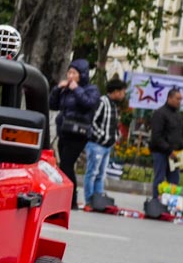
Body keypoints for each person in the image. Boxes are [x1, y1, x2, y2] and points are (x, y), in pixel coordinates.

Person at [49, 59, 100, 208]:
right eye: (69, 72)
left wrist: (76, 88)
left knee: (66, 164)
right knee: (65, 166)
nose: (70, 75)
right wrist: (58, 89)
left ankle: (70, 199)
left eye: (74, 73)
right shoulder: (66, 89)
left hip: (78, 134)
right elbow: (53, 104)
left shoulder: (91, 89)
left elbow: (89, 104)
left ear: (82, 75)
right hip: (64, 131)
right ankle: (68, 199)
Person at [84, 78, 127, 206]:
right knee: (92, 173)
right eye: (123, 92)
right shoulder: (102, 102)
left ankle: (98, 201)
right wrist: (102, 137)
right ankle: (89, 200)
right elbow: (92, 121)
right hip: (97, 145)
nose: (124, 95)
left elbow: (112, 124)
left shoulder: (113, 105)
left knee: (101, 175)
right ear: (116, 91)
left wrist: (115, 137)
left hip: (107, 146)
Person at [148, 88, 183, 198]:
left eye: (180, 99)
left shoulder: (177, 115)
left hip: (174, 154)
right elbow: (156, 137)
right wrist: (169, 150)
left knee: (174, 181)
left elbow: (177, 135)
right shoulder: (160, 113)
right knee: (160, 179)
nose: (179, 101)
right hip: (161, 152)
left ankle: (170, 203)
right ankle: (156, 202)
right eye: (177, 99)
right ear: (169, 98)